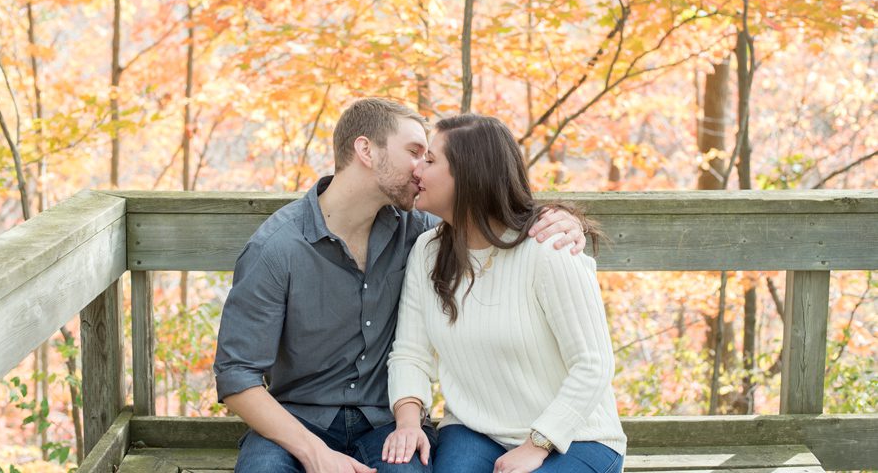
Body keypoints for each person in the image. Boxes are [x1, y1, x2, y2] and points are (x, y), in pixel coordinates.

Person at [214, 99, 589, 473]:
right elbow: (236, 375)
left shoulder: (422, 234)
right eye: (414, 152)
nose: (421, 168)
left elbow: (491, 212)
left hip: (387, 422)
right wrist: (315, 454)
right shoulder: (277, 248)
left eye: (429, 157)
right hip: (296, 422)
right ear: (365, 150)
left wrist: (564, 221)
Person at [383, 114, 626, 473]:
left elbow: (594, 364)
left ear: (470, 176)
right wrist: (408, 423)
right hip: (474, 429)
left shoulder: (549, 248)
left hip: (577, 436)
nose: (417, 168)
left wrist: (536, 444)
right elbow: (410, 354)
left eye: (431, 160)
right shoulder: (427, 252)